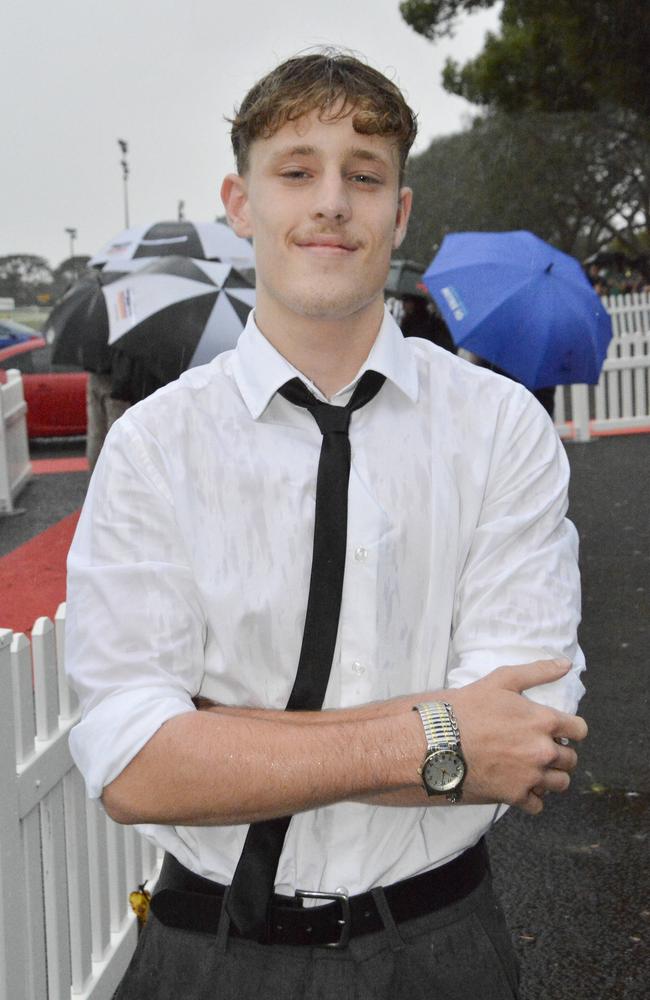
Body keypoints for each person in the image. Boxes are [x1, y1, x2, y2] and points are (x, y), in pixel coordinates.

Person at [65, 50, 587, 1000]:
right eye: (296, 169)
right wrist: (437, 736)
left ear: (401, 209)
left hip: (441, 946)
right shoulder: (154, 447)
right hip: (208, 950)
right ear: (241, 200)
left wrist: (226, 738)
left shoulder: (501, 427)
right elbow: (136, 766)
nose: (332, 202)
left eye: (365, 174)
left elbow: (524, 740)